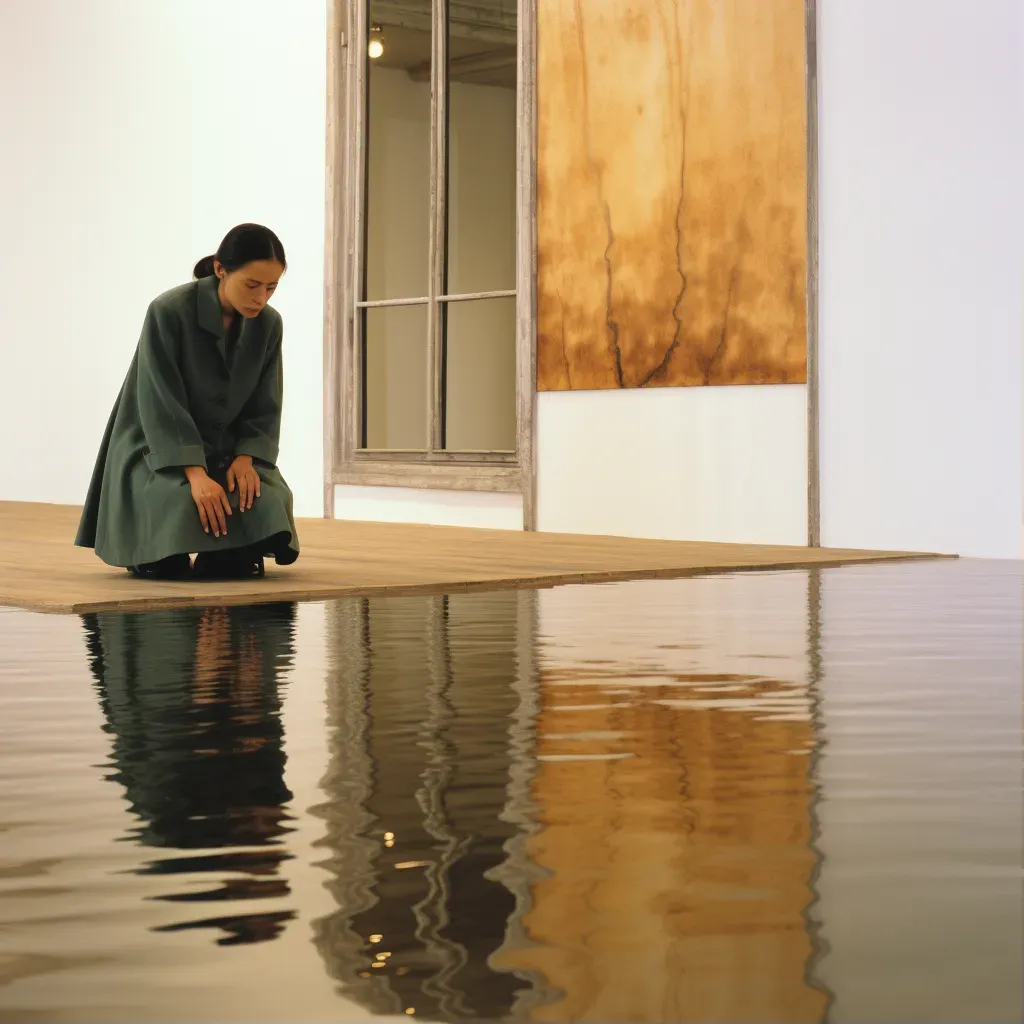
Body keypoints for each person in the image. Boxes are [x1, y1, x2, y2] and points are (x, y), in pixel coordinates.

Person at [75, 224, 300, 580]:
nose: (261, 298)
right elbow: (159, 398)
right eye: (252, 285)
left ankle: (228, 552)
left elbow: (266, 401)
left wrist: (246, 457)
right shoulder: (168, 311)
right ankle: (165, 552)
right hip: (155, 444)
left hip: (228, 448)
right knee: (181, 502)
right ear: (221, 270)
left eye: (271, 287)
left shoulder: (269, 324)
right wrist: (194, 473)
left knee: (262, 497)